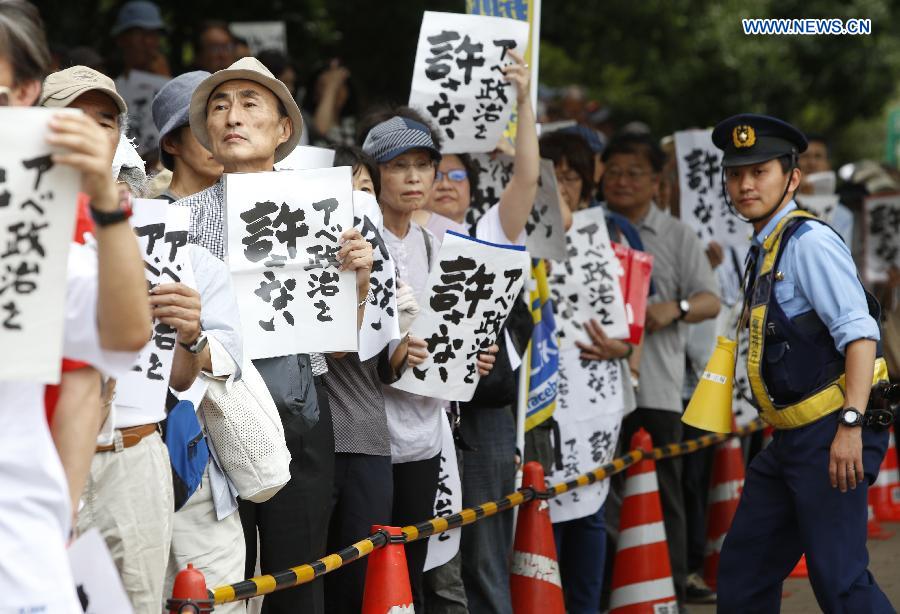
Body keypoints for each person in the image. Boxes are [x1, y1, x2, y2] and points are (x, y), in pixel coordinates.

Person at [175, 56, 373, 614]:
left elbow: (338, 343)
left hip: (302, 408)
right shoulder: (177, 218)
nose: (231, 116)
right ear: (206, 131)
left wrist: (356, 282)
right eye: (219, 105)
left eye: (249, 103)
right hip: (211, 410)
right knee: (217, 575)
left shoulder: (324, 208)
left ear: (284, 128)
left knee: (296, 573)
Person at [0, 2, 149, 610]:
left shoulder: (34, 227)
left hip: (15, 551)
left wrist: (106, 209)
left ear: (27, 92)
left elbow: (122, 334)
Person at [712, 114, 893, 613]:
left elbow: (860, 335)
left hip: (831, 432)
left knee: (839, 580)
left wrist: (851, 425)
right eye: (734, 173)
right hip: (791, 438)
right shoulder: (766, 245)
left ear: (792, 177)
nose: (745, 184)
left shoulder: (808, 242)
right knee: (745, 572)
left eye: (760, 171)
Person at [361, 113, 498, 612]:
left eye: (424, 165)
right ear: (375, 174)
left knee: (414, 564)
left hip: (426, 432)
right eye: (399, 166)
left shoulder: (436, 247)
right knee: (370, 566)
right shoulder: (358, 242)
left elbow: (451, 337)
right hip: (369, 431)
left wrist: (474, 354)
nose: (415, 178)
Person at [602, 132, 721, 608]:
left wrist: (677, 307)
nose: (622, 181)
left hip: (656, 387)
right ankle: (615, 583)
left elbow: (711, 299)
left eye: (634, 173)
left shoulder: (677, 234)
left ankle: (668, 585)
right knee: (602, 492)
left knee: (662, 488)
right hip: (599, 391)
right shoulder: (588, 228)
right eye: (613, 172)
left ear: (656, 181)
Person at [539, 128, 643, 614]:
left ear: (587, 181)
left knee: (590, 511)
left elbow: (637, 320)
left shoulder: (618, 233)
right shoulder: (523, 233)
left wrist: (624, 347)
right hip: (545, 394)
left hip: (599, 392)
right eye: (552, 175)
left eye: (571, 176)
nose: (562, 186)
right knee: (545, 511)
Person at [151, 70, 223, 202]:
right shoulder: (155, 215)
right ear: (170, 143)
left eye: (225, 128)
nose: (218, 141)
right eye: (204, 130)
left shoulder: (238, 207)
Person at [797, 132, 854, 247]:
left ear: (828, 165)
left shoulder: (843, 215)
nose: (811, 163)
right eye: (805, 156)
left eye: (818, 157)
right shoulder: (780, 207)